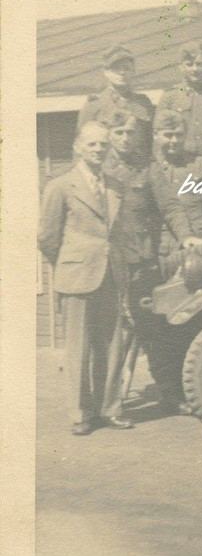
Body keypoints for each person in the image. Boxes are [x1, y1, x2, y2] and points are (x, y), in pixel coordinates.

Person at [38, 122, 132, 434]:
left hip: (110, 275)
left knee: (112, 345)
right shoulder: (60, 186)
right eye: (92, 144)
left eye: (103, 144)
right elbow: (47, 237)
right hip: (76, 275)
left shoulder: (116, 186)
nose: (98, 149)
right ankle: (81, 414)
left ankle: (109, 408)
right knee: (79, 348)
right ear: (78, 147)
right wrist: (69, 263)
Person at [102, 110, 193, 417]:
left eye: (130, 132)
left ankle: (170, 394)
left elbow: (171, 207)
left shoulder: (148, 167)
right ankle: (101, 401)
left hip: (142, 263)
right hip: (108, 264)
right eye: (119, 132)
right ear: (109, 135)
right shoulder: (99, 166)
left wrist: (186, 236)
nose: (125, 138)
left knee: (155, 331)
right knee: (106, 333)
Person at [149, 110, 202, 262]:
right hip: (164, 249)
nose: (174, 140)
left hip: (201, 243)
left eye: (179, 135)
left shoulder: (201, 164)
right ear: (156, 135)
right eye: (168, 135)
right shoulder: (148, 168)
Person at [78, 44, 155, 160]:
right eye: (116, 68)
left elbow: (151, 141)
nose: (122, 72)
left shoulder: (143, 103)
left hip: (138, 166)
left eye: (126, 68)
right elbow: (81, 145)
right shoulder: (94, 106)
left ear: (133, 71)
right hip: (105, 166)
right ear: (106, 72)